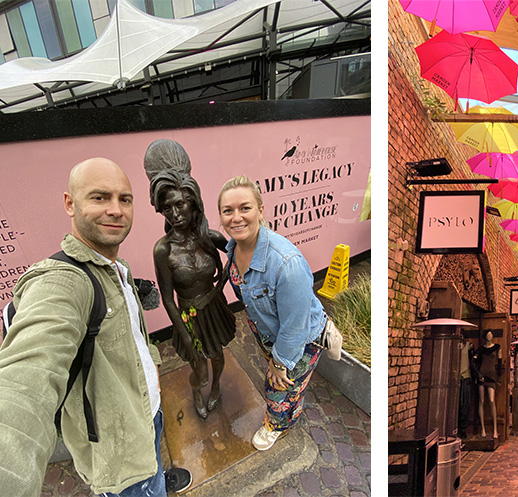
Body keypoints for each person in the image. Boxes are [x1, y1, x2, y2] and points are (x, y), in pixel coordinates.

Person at [0, 158, 190, 496]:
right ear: (70, 204)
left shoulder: (117, 266)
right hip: (119, 456)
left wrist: (153, 368)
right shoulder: (62, 283)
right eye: (100, 198)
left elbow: (133, 332)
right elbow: (25, 382)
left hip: (147, 413)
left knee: (154, 464)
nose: (116, 210)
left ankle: (157, 477)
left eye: (125, 199)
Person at [218, 175, 333, 451]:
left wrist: (280, 363)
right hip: (271, 328)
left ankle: (278, 424)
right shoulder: (234, 247)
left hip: (300, 339)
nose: (236, 217)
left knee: (280, 388)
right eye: (228, 211)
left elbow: (294, 328)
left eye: (245, 208)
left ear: (260, 209)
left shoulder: (286, 264)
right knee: (282, 378)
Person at [150, 169, 236, 420]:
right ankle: (197, 391)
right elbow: (167, 298)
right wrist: (186, 336)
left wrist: (226, 276)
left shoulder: (211, 238)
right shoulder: (163, 250)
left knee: (218, 356)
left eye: (180, 205)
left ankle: (217, 385)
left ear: (193, 204)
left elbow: (236, 252)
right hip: (187, 315)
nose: (175, 214)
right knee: (198, 366)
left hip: (214, 308)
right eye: (167, 208)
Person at [475, 331, 500, 438]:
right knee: (481, 400)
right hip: (482, 374)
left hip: (492, 375)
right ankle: (483, 429)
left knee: (491, 400)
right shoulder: (480, 349)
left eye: (491, 334)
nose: (489, 336)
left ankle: (495, 429)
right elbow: (475, 362)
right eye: (488, 334)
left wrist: (499, 377)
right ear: (485, 336)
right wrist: (478, 374)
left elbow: (499, 362)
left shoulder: (497, 347)